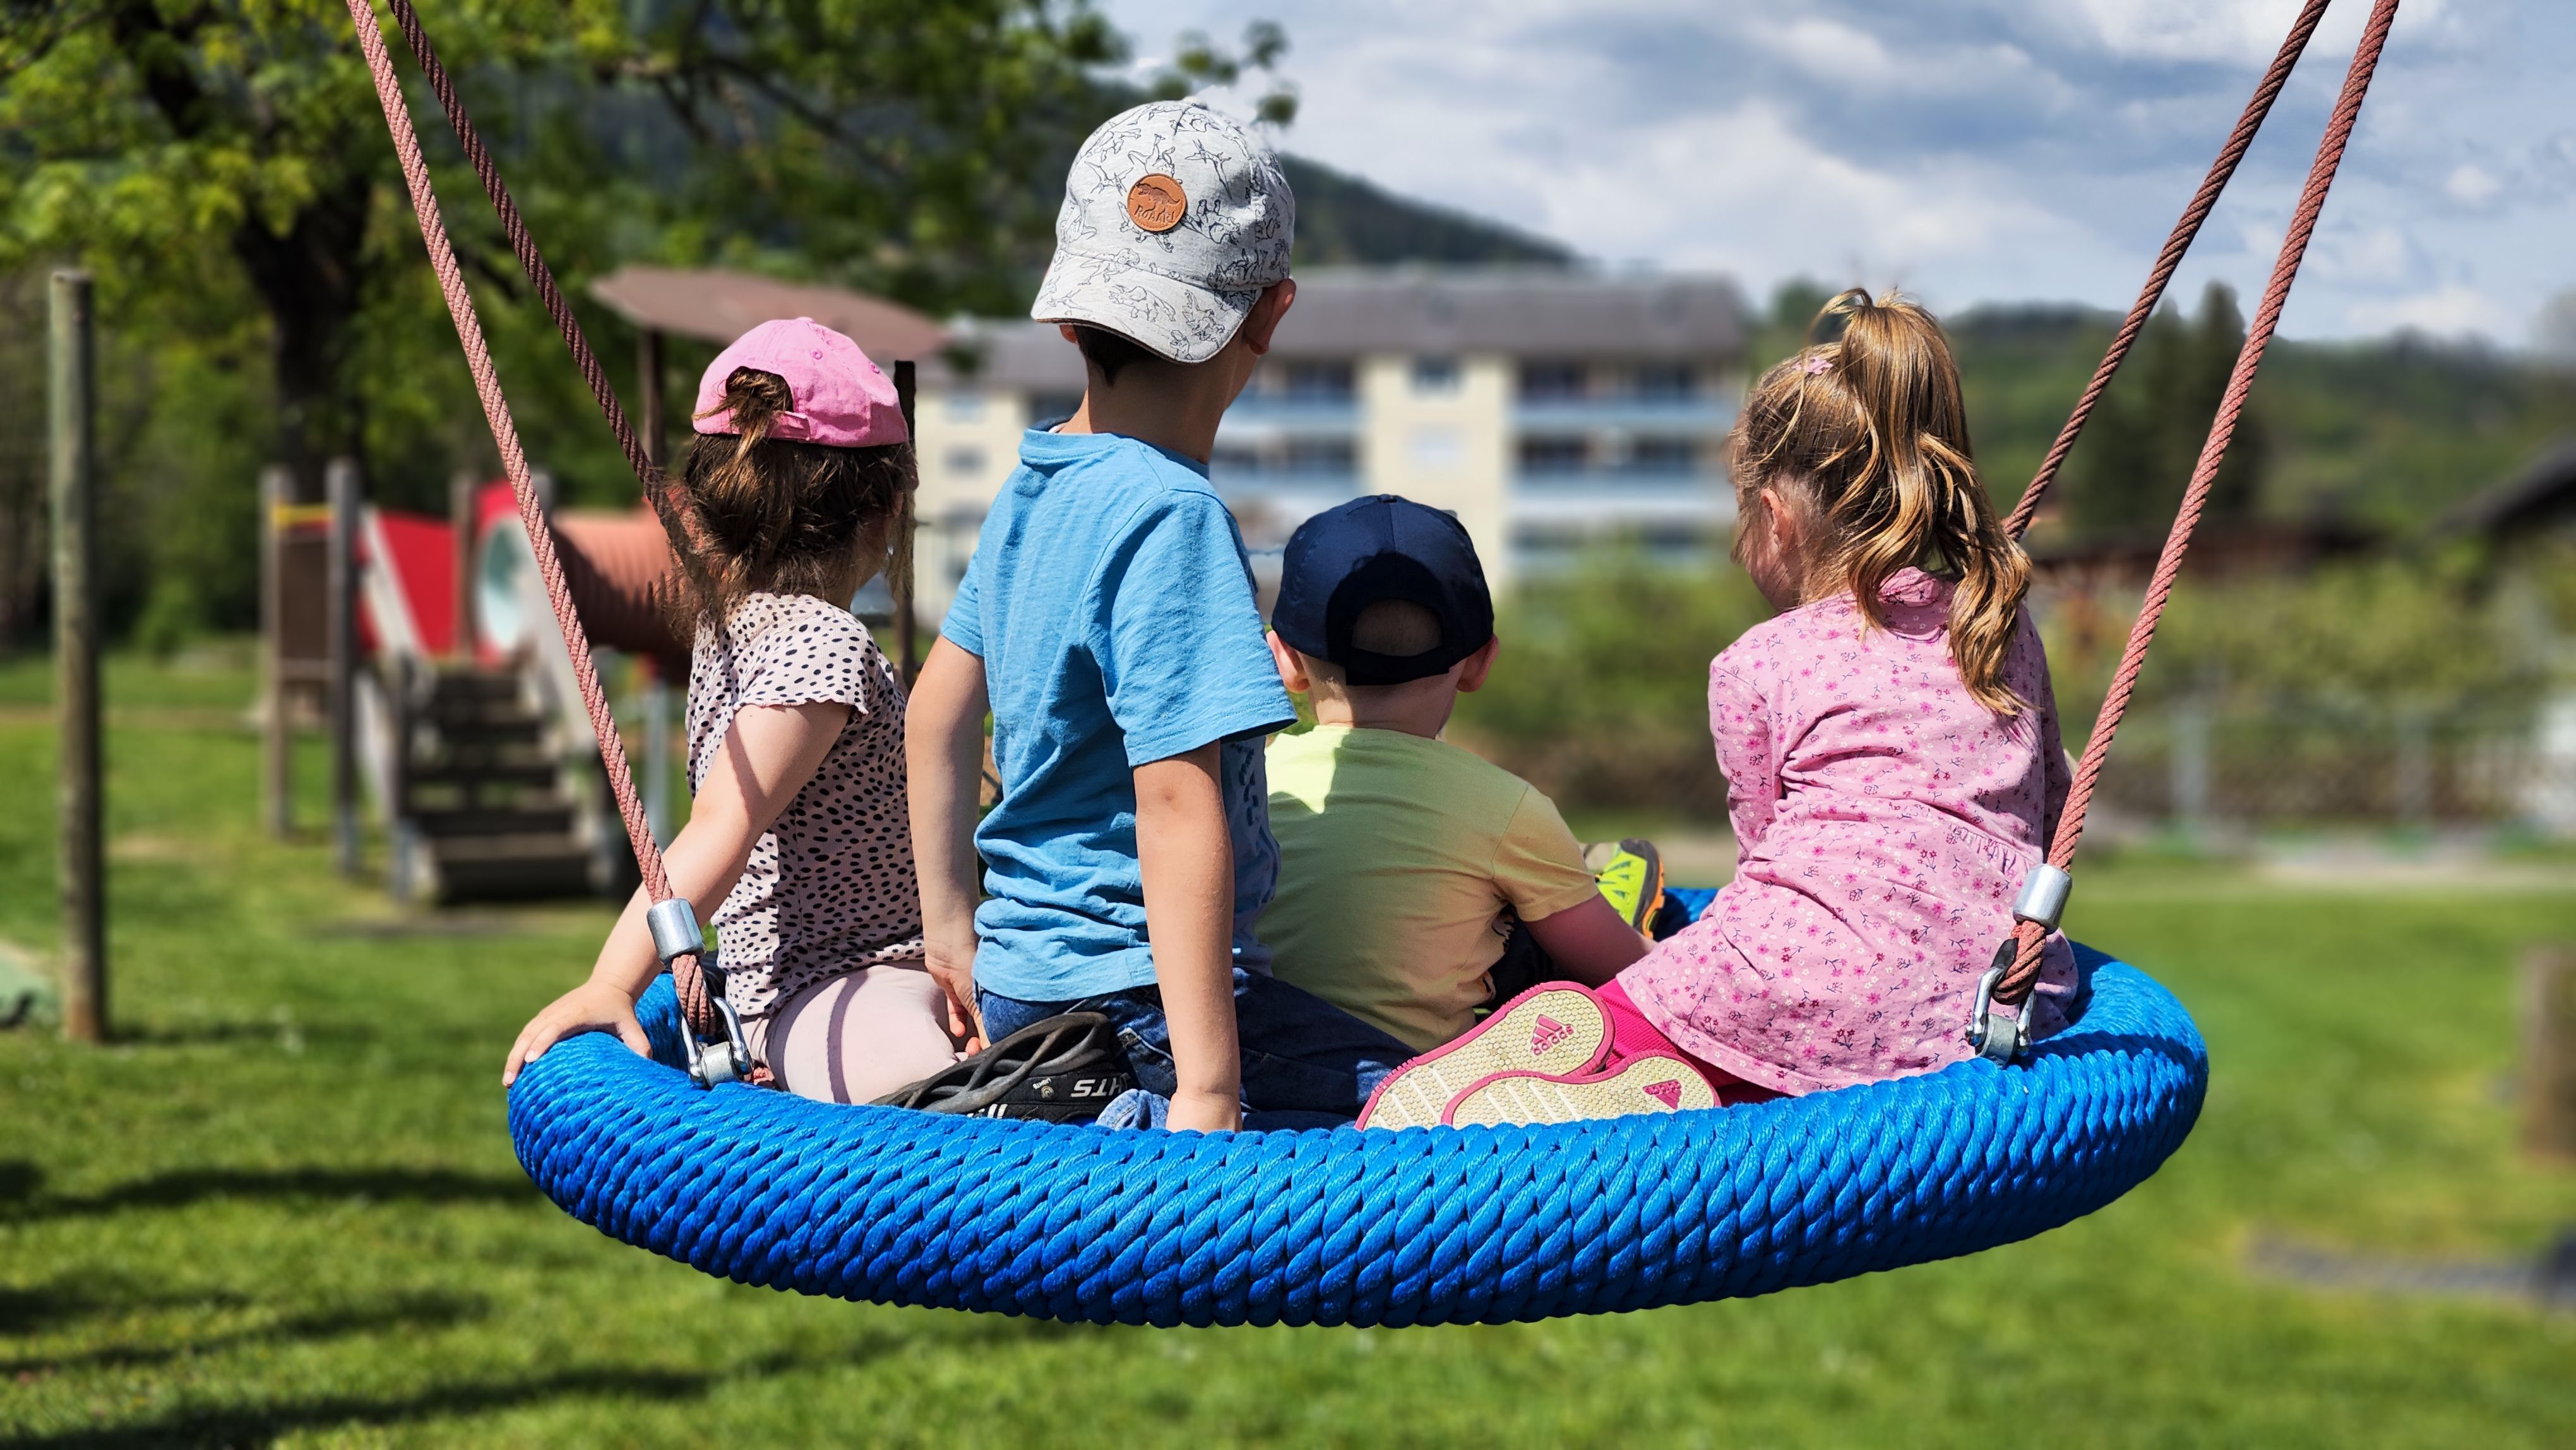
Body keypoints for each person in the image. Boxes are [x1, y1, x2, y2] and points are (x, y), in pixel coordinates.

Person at [1360, 289, 2082, 1130]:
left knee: (1627, 1003)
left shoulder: (1758, 662)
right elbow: (2050, 811)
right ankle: (1679, 1076)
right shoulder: (1997, 620)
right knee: (1778, 1010)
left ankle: (1622, 1064)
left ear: (1773, 518)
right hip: (1985, 1000)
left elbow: (1764, 864)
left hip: (1794, 990)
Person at [904, 100, 1414, 1133]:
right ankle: (1141, 1105)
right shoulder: (1173, 516)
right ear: (1270, 314)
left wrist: (952, 932)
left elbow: (936, 716)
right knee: (1428, 1097)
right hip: (1143, 1003)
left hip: (1020, 983)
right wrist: (1209, 1084)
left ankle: (1096, 1095)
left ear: (1063, 312)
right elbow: (1178, 804)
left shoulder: (1035, 481)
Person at [504, 317, 963, 1103]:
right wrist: (614, 982)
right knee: (949, 1120)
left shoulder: (731, 631)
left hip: (867, 969)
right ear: (887, 511)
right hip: (836, 986)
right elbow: (722, 823)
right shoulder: (823, 641)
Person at [1260, 493, 1667, 1066]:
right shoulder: (1506, 806)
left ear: (1286, 663)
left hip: (1259, 1065)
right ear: (1479, 663)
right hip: (1408, 1085)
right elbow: (1629, 971)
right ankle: (1590, 891)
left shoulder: (1253, 782)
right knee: (1530, 938)